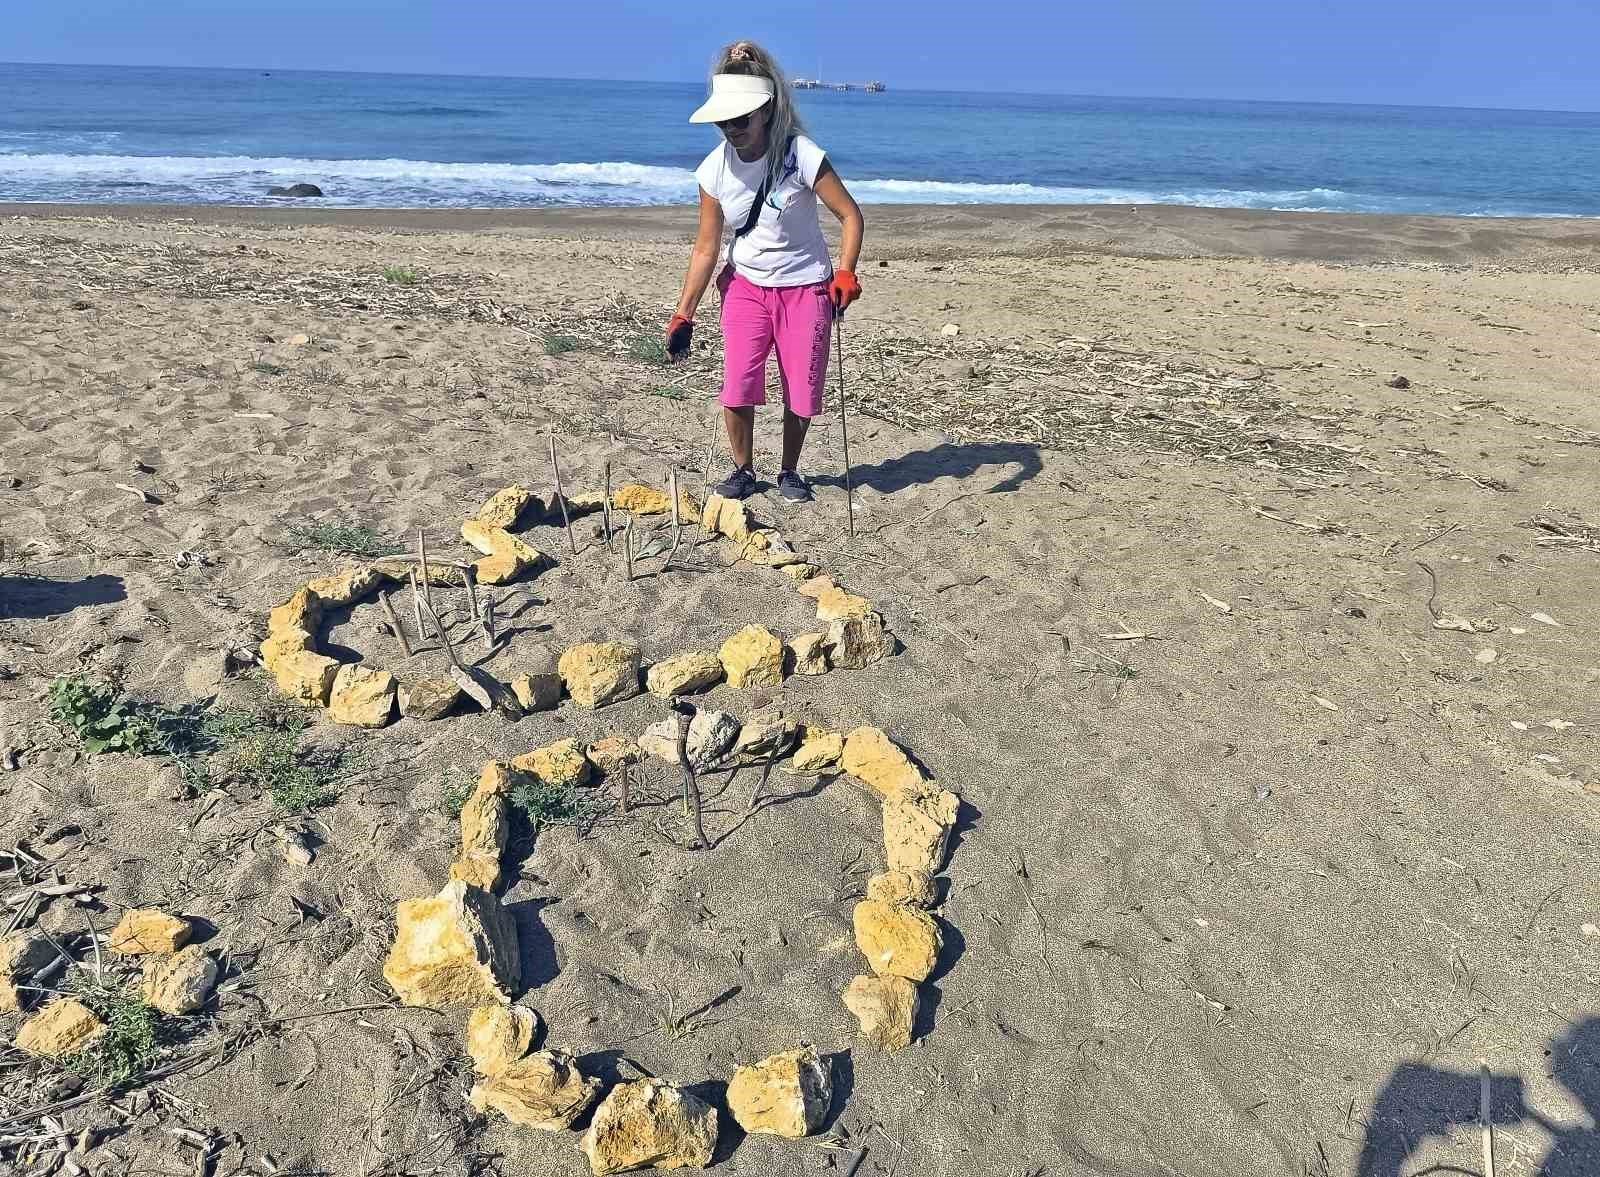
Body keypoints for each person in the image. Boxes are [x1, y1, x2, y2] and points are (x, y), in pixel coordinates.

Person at [666, 40, 864, 504]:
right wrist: (683, 315)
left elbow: (851, 216)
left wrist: (845, 272)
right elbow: (706, 247)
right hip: (746, 287)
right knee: (737, 385)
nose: (732, 129)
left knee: (802, 390)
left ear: (766, 110)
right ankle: (743, 469)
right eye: (724, 120)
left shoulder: (801, 154)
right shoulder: (713, 170)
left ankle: (790, 471)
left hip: (806, 288)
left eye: (742, 118)